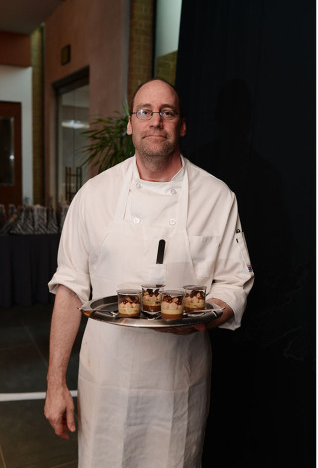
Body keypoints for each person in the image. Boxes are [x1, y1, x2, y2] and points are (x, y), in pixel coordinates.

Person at [44, 78, 254, 467]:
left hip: (179, 383)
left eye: (167, 112)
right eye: (145, 111)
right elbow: (70, 290)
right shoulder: (94, 195)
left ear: (182, 125)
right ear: (130, 123)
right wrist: (55, 382)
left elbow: (234, 280)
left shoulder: (217, 197)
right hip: (104, 380)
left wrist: (207, 317)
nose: (155, 121)